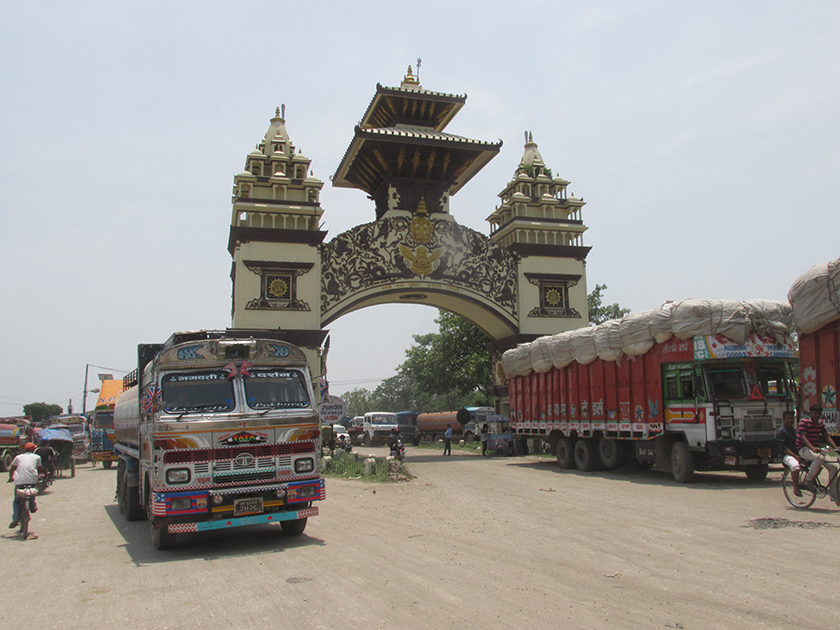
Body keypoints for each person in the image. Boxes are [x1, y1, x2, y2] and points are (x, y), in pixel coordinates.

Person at [796, 405, 840, 505]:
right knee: (819, 458)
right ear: (810, 413)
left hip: (816, 449)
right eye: (815, 413)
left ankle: (834, 495)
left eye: (819, 413)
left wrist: (835, 447)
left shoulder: (820, 424)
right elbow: (803, 437)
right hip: (803, 449)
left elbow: (826, 436)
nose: (817, 415)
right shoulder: (804, 422)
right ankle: (808, 480)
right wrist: (813, 448)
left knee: (834, 468)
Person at [8, 442, 43, 529]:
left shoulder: (18, 457)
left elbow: (12, 468)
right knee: (32, 493)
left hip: (20, 481)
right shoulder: (37, 457)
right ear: (34, 449)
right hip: (32, 480)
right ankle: (33, 506)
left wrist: (10, 478)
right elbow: (38, 468)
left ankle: (16, 519)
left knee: (17, 501)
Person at [776, 410, 803, 495]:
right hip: (787, 456)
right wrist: (796, 456)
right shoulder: (781, 432)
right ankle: (796, 486)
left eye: (791, 419)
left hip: (798, 454)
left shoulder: (796, 431)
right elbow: (784, 448)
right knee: (795, 466)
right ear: (783, 419)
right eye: (788, 419)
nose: (790, 421)